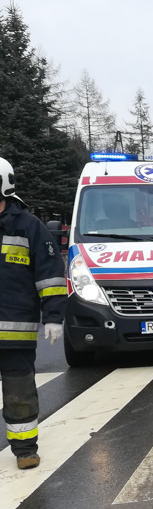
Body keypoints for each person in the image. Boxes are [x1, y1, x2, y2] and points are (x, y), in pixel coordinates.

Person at [0, 157, 66, 470]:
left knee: (19, 395)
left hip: (15, 335)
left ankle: (25, 450)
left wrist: (54, 317)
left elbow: (51, 276)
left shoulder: (29, 227)